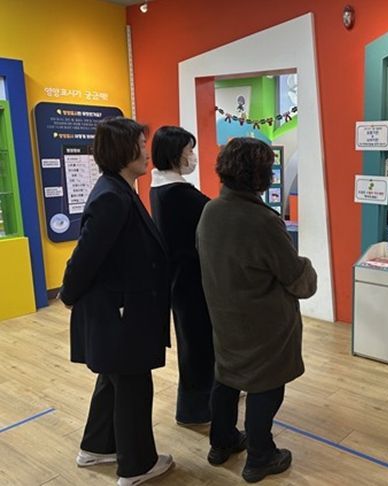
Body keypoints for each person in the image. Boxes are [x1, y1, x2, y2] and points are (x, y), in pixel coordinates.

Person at [59, 117, 173, 485]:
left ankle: (97, 446)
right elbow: (86, 256)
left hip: (121, 308)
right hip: (120, 311)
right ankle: (137, 466)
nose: (146, 152)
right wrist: (68, 294)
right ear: (122, 151)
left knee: (114, 380)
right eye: (140, 145)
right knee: (133, 386)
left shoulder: (119, 190)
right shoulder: (112, 196)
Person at [197, 137, 317, 483]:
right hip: (264, 324)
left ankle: (221, 443)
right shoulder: (262, 220)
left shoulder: (210, 211)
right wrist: (308, 267)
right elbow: (297, 279)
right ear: (260, 174)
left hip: (224, 316)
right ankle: (261, 457)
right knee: (266, 385)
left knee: (226, 379)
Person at [149, 126, 215, 426]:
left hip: (178, 277)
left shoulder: (158, 187)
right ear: (176, 154)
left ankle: (201, 401)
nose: (193, 156)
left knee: (193, 341)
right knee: (198, 345)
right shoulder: (179, 193)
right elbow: (213, 214)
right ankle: (194, 409)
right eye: (190, 150)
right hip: (191, 279)